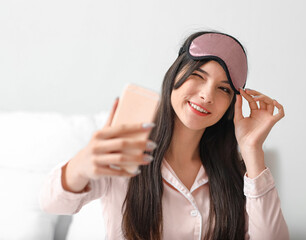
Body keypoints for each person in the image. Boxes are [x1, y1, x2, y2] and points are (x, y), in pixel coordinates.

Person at [40, 31, 289, 240]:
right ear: (175, 76)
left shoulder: (237, 173)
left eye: (223, 89)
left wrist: (252, 150)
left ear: (231, 105)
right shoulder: (126, 150)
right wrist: (82, 164)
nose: (206, 95)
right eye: (197, 76)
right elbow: (53, 203)